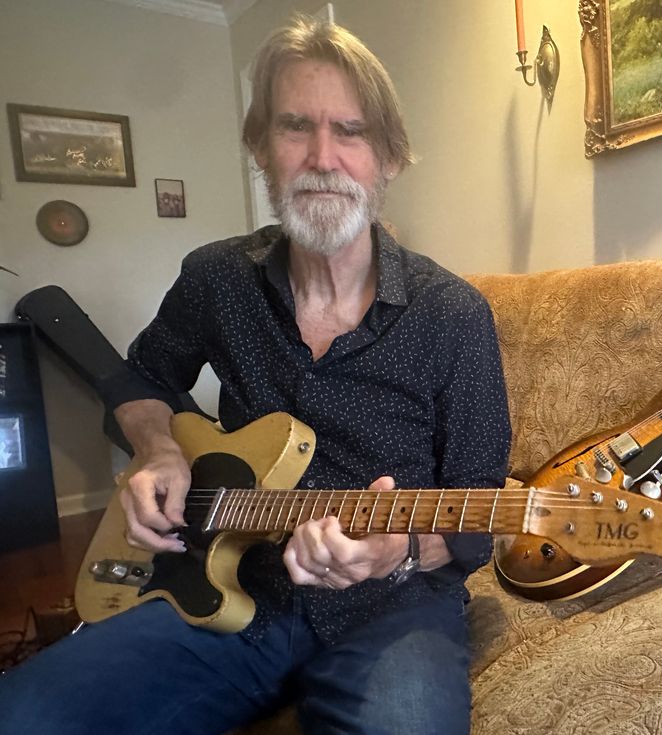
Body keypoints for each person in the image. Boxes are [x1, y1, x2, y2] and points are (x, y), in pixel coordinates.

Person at [0, 15, 510, 735]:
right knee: (24, 714)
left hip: (393, 609)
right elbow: (140, 378)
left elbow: (480, 505)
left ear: (389, 157)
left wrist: (393, 549)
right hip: (226, 589)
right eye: (295, 126)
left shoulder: (454, 314)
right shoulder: (217, 279)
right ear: (261, 149)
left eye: (351, 131)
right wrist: (159, 449)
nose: (322, 157)